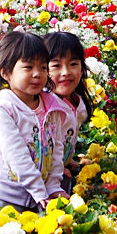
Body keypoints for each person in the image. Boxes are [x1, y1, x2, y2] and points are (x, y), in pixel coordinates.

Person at [0, 30, 67, 211]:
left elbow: (57, 149)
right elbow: (16, 155)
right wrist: (40, 192)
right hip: (5, 198)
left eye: (43, 67)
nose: (37, 74)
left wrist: (53, 186)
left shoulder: (52, 106)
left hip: (40, 198)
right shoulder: (4, 107)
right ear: (6, 72)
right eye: (28, 67)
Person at [44, 30, 93, 176]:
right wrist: (56, 169)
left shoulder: (76, 99)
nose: (66, 72)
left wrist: (66, 159)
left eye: (73, 64)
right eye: (56, 66)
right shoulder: (45, 106)